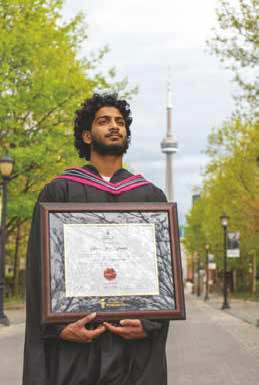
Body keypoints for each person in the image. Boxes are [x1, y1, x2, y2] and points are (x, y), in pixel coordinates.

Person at [23, 93, 169, 385]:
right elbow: (40, 268)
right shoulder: (59, 192)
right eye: (104, 121)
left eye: (120, 122)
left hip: (132, 343)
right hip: (76, 342)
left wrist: (151, 324)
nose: (114, 126)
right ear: (88, 135)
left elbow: (163, 272)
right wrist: (58, 328)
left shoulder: (150, 197)